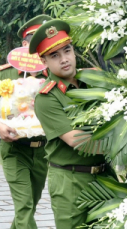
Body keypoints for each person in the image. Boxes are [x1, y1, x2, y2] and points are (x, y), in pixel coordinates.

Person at [29, 19, 109, 228]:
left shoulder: (94, 81)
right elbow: (77, 140)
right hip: (71, 180)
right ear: (44, 62)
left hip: (105, 175)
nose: (64, 59)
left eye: (67, 50)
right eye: (54, 55)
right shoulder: (46, 98)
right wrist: (124, 146)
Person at [0, 15, 51, 229]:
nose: (39, 48)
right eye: (35, 43)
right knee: (24, 205)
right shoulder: (7, 72)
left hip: (42, 151)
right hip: (14, 148)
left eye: (43, 44)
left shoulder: (51, 73)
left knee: (31, 204)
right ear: (24, 45)